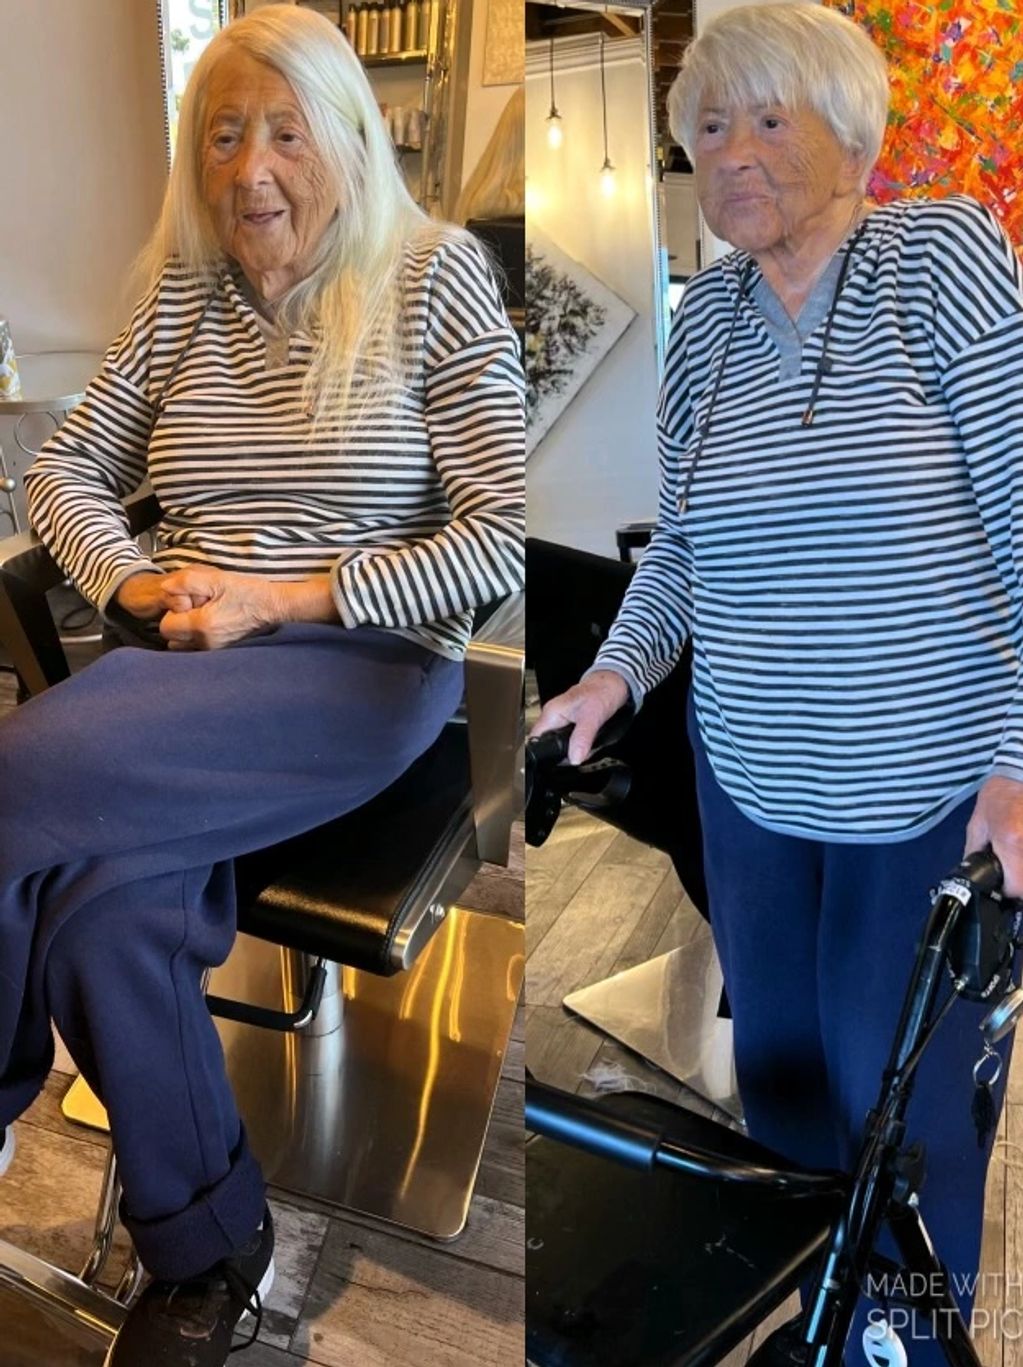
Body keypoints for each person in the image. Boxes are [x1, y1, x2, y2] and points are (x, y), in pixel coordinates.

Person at [0, 7, 523, 1365]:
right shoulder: (182, 294)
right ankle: (212, 1249)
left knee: (9, 774)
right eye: (222, 136)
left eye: (285, 132)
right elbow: (56, 473)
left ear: (347, 135)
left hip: (355, 664)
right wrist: (131, 586)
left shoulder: (433, 275)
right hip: (182, 662)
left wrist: (280, 599)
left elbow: (500, 541)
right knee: (95, 915)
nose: (251, 171)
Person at [532, 3, 1023, 1359]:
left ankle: (910, 1346)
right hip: (753, 785)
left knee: (904, 1109)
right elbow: (681, 549)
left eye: (766, 117)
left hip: (924, 785)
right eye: (707, 124)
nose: (728, 151)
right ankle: (823, 1323)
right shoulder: (707, 332)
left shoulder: (942, 264)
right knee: (790, 1094)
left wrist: (1022, 765)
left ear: (850, 134)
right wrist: (610, 679)